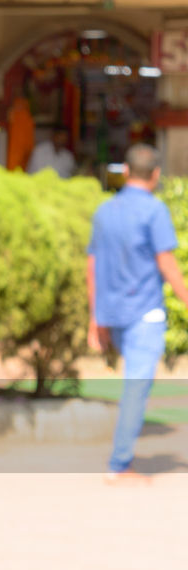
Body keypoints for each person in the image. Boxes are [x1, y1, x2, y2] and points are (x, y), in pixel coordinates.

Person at [86, 143, 188, 483]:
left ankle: (121, 458)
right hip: (144, 315)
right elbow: (168, 266)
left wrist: (94, 317)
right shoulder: (155, 211)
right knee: (135, 389)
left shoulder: (104, 211)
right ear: (156, 175)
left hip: (112, 314)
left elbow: (92, 265)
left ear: (126, 172)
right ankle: (120, 464)